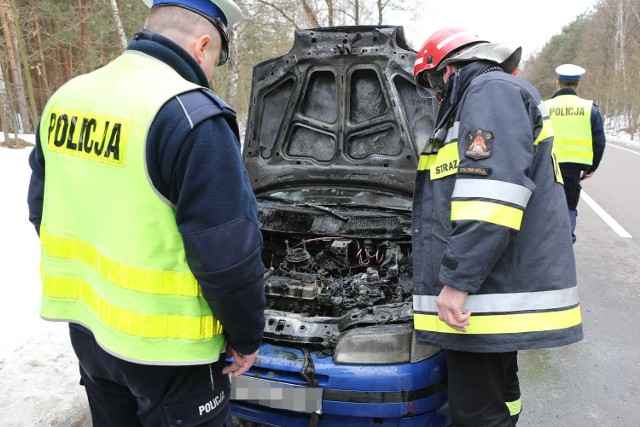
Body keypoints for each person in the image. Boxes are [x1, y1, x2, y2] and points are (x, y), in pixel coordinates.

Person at [26, 1, 266, 425]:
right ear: (203, 44)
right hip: (170, 354)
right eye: (218, 58)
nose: (213, 69)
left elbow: (40, 210)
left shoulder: (67, 97)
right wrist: (246, 336)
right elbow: (227, 258)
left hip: (91, 334)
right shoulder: (190, 115)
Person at [411, 27, 583, 426]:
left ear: (449, 68)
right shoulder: (496, 92)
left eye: (433, 82)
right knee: (499, 397)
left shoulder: (488, 91)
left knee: (474, 412)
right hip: (496, 286)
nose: (435, 95)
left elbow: (492, 196)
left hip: (486, 290)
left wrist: (455, 283)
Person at [545, 64, 606, 243]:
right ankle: (565, 240)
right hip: (574, 166)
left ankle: (545, 241)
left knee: (547, 203)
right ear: (577, 85)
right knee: (569, 204)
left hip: (548, 164)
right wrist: (592, 167)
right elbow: (599, 142)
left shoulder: (544, 106)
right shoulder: (589, 108)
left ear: (558, 83)